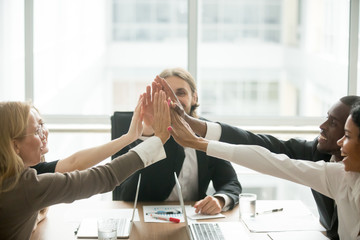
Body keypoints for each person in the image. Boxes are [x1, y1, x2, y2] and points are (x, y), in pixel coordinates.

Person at [156, 74, 359, 239]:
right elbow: (266, 156)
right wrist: (198, 139)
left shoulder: (336, 174)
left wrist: (198, 143)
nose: (321, 127)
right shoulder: (336, 172)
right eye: (326, 118)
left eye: (342, 130)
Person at [0, 91, 170, 239]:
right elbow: (104, 177)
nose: (43, 133)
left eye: (42, 125)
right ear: (15, 145)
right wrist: (157, 140)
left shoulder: (13, 177)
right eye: (37, 130)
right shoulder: (25, 186)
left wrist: (130, 137)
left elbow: (75, 163)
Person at [113, 68, 241, 215]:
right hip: (146, 220)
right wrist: (152, 137)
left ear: (194, 98)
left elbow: (230, 182)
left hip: (193, 217)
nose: (173, 100)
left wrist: (220, 200)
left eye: (180, 93)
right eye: (166, 94)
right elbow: (127, 194)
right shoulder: (140, 134)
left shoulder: (207, 133)